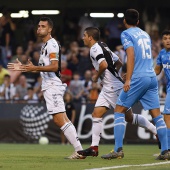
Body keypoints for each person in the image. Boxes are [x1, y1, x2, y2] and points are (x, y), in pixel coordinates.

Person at [7, 17, 85, 159]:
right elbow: (42, 69)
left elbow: (55, 66)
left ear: (50, 29)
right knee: (63, 119)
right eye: (38, 26)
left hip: (53, 85)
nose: (39, 28)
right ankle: (79, 150)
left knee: (59, 119)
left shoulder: (52, 44)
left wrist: (33, 67)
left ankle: (79, 151)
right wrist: (25, 68)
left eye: (43, 26)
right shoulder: (44, 46)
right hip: (49, 85)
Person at [77, 27, 158, 158]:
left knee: (129, 117)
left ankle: (156, 131)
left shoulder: (94, 49)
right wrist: (116, 75)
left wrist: (97, 77)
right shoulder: (103, 45)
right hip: (108, 87)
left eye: (84, 35)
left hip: (113, 87)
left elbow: (103, 65)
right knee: (96, 114)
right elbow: (118, 62)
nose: (83, 38)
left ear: (90, 37)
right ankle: (94, 147)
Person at [100, 9, 170, 160]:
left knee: (119, 110)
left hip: (138, 77)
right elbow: (143, 57)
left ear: (124, 21)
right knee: (157, 115)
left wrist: (128, 78)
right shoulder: (145, 34)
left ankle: (118, 149)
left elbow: (130, 55)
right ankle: (166, 150)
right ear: (138, 22)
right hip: (151, 76)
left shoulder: (126, 34)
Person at [154, 30, 170, 152]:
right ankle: (167, 147)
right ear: (162, 41)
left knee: (167, 116)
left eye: (169, 38)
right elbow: (156, 71)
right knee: (167, 116)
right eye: (165, 38)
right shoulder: (162, 54)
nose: (168, 40)